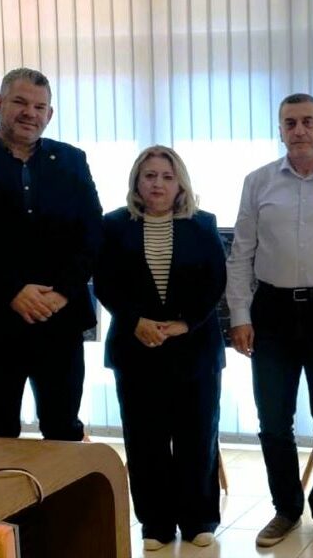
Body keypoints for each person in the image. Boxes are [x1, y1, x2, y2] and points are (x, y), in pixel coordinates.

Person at [226, 93, 313, 548]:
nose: (299, 130)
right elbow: (241, 253)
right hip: (272, 312)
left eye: (308, 121)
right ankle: (286, 508)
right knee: (273, 420)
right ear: (280, 130)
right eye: (290, 122)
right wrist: (240, 315)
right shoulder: (258, 182)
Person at [0, 67, 102, 440]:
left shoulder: (72, 160)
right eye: (20, 102)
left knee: (63, 430)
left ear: (50, 114)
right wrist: (12, 290)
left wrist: (62, 292)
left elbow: (92, 234)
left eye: (40, 106)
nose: (30, 113)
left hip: (59, 318)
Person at [94, 145, 226, 551]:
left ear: (180, 183)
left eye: (167, 177)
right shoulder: (114, 225)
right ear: (137, 180)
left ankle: (199, 518)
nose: (158, 184)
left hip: (194, 346)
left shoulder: (202, 224)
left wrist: (185, 323)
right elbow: (105, 282)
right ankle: (155, 524)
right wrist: (136, 321)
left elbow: (215, 281)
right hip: (137, 348)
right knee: (144, 440)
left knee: (197, 437)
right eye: (150, 175)